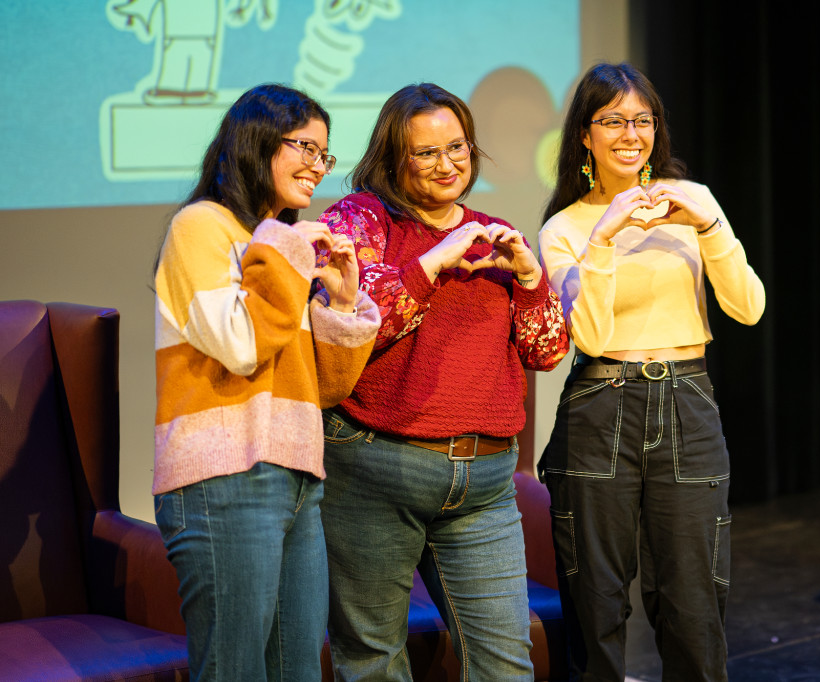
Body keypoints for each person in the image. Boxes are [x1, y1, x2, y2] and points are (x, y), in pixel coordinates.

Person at [316, 82, 570, 680]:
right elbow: (358, 322)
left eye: (456, 147)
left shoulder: (496, 233)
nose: (447, 163)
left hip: (483, 482)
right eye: (425, 152)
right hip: (378, 468)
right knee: (373, 659)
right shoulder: (360, 217)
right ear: (393, 157)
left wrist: (531, 276)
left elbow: (547, 350)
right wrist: (435, 259)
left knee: (507, 663)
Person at [537, 63, 766, 680]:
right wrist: (606, 237)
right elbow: (588, 335)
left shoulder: (694, 204)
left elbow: (747, 308)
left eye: (642, 119)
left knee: (695, 602)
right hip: (600, 406)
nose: (629, 133)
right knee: (596, 603)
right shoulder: (565, 228)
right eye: (612, 120)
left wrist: (709, 226)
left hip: (687, 402)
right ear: (585, 135)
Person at [152, 83, 380, 681]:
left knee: (299, 670)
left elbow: (323, 388)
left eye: (324, 154)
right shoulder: (201, 227)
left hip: (299, 475)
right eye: (304, 145)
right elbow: (238, 344)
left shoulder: (280, 246)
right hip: (224, 474)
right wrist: (283, 251)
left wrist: (342, 302)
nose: (317, 166)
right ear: (255, 142)